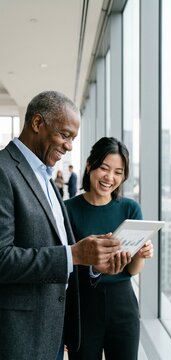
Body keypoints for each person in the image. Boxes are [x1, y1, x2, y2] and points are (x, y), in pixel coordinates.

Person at [0, 92, 121, 360]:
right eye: (65, 135)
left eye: (73, 139)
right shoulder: (3, 170)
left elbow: (56, 250)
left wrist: (90, 264)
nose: (69, 147)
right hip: (19, 339)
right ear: (37, 123)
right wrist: (74, 254)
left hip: (52, 335)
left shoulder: (46, 177)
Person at [64, 137, 154, 360]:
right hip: (83, 306)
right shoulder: (67, 210)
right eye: (104, 168)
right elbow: (66, 265)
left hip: (123, 305)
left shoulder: (130, 209)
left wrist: (141, 253)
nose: (109, 177)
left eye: (118, 172)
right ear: (89, 165)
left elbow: (132, 271)